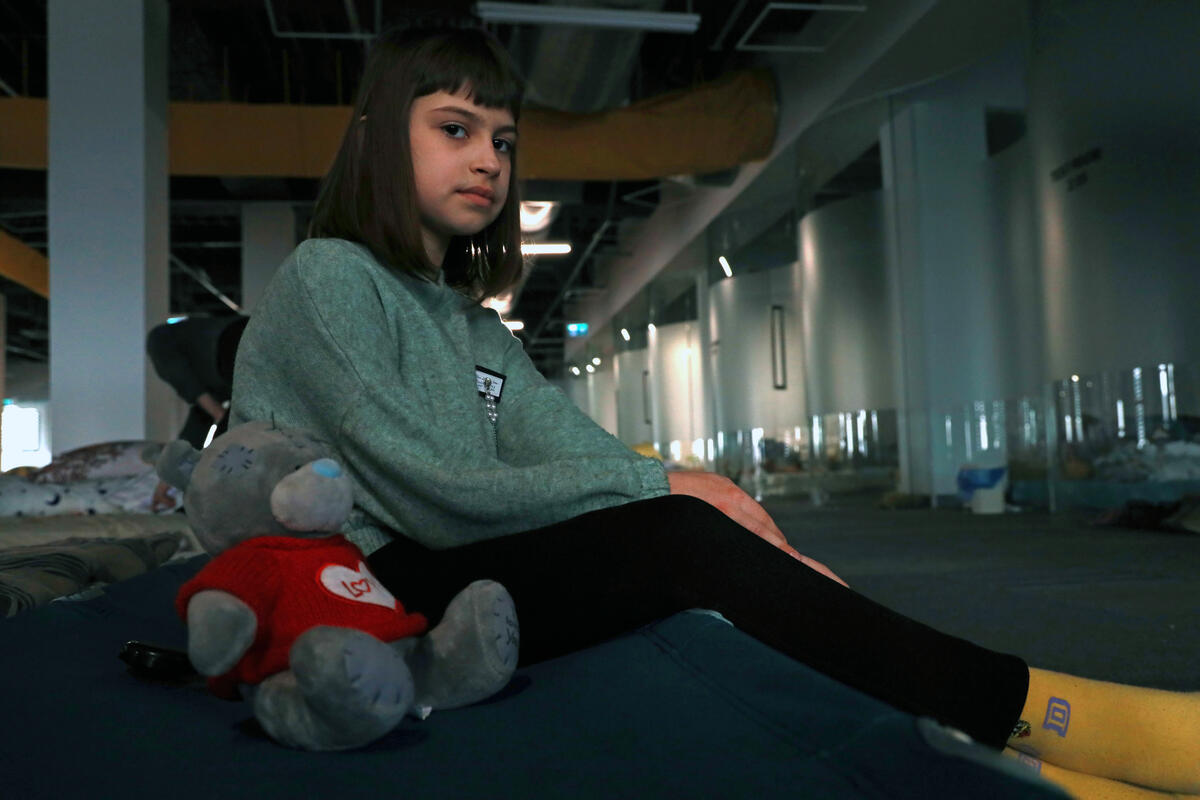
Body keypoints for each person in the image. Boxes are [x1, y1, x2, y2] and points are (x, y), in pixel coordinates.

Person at [229, 26, 1198, 799]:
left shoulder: (470, 327)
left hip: (444, 565)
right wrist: (677, 492)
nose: (488, 158)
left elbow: (575, 448)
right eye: (455, 128)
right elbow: (440, 492)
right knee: (683, 535)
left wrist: (751, 535)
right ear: (380, 136)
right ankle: (1055, 715)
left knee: (705, 538)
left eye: (504, 140)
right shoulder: (329, 278)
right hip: (363, 587)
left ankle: (1027, 757)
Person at [147, 314, 250, 509]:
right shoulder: (219, 386)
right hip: (243, 337)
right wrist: (165, 484)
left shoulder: (160, 338)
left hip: (236, 336)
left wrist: (219, 414)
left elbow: (183, 378)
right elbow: (197, 427)